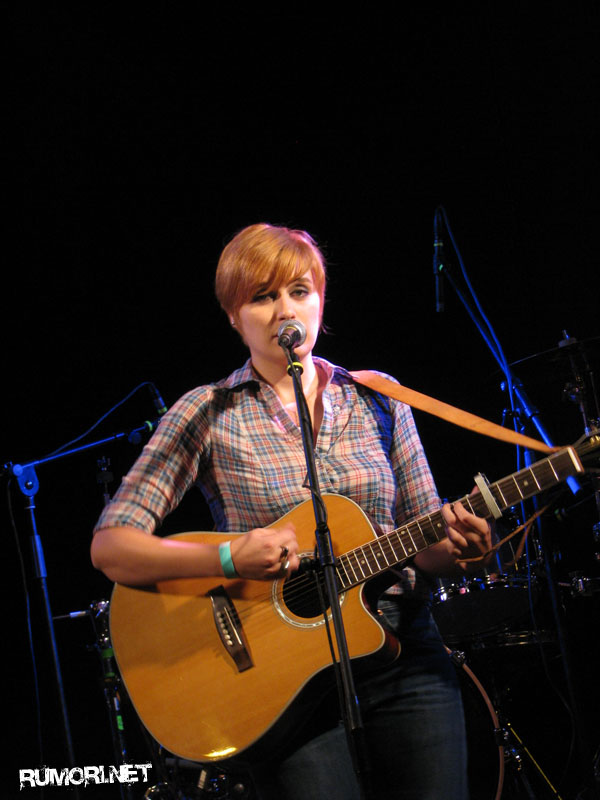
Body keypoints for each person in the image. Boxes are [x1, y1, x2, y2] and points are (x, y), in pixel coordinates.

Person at [91, 223, 492, 799]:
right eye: (263, 296)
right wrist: (228, 558)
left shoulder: (380, 397)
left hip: (402, 653)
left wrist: (462, 551)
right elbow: (112, 546)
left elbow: (427, 542)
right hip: (278, 677)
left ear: (321, 301)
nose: (285, 310)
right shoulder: (208, 410)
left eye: (299, 291)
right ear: (234, 316)